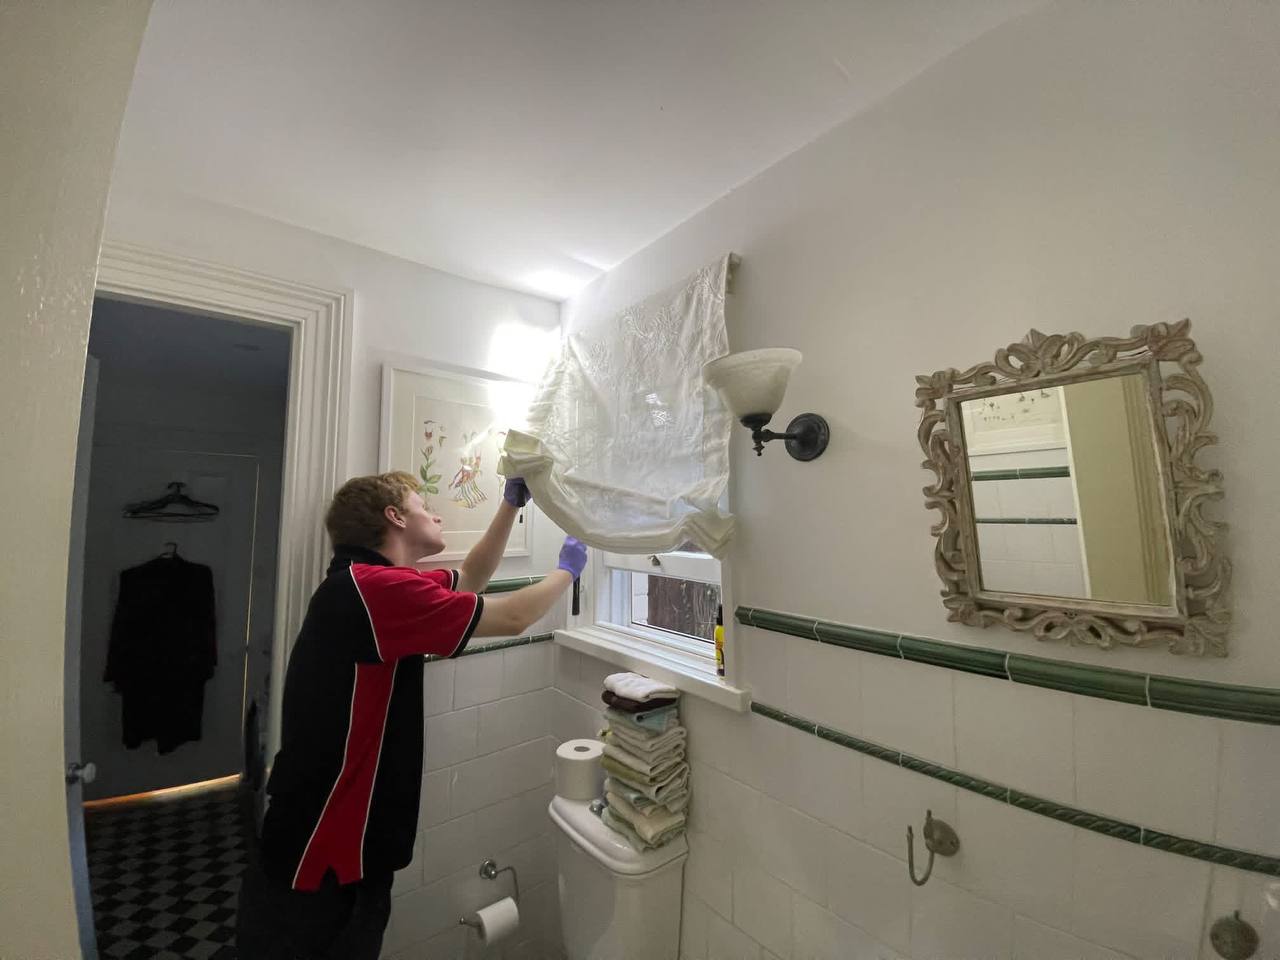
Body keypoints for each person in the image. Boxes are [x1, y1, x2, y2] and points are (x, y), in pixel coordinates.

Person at [236, 470, 586, 959]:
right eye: (424, 504)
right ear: (395, 517)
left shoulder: (369, 585)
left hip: (329, 847)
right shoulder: (374, 591)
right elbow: (511, 617)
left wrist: (511, 504)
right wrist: (569, 569)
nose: (436, 513)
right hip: (321, 862)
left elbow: (472, 579)